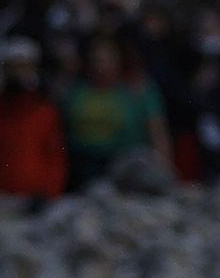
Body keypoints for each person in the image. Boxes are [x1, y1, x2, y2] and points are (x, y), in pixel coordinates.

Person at [61, 33, 170, 188]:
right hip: (83, 169)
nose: (100, 67)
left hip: (125, 169)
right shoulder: (76, 91)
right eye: (95, 60)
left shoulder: (138, 90)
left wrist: (163, 168)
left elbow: (158, 132)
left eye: (105, 60)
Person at [0, 42, 68, 207]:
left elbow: (56, 157)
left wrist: (50, 192)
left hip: (33, 202)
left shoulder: (44, 111)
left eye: (23, 67)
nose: (17, 74)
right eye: (12, 68)